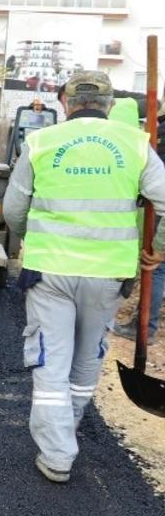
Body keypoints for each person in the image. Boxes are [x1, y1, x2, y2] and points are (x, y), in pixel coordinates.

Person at [2, 70, 165, 484]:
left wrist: (29, 239)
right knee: (87, 357)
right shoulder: (135, 145)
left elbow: (12, 211)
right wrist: (157, 247)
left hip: (50, 272)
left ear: (66, 103)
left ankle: (57, 454)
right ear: (109, 105)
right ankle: (66, 430)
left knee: (50, 361)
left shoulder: (40, 142)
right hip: (109, 274)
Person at [112, 102, 165, 342]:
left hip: (160, 206)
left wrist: (161, 246)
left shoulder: (154, 136)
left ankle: (146, 327)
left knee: (154, 266)